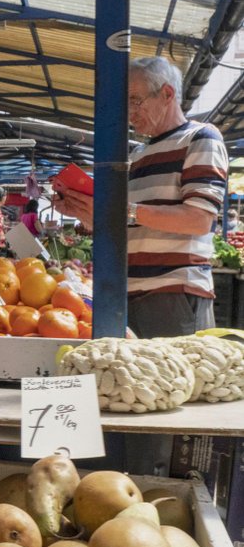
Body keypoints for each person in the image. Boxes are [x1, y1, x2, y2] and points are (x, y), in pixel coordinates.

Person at [54, 56, 228, 338]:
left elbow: (199, 219)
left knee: (174, 380)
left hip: (172, 294)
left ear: (167, 93)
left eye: (135, 100)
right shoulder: (137, 155)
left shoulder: (200, 138)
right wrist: (84, 211)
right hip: (128, 295)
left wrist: (125, 210)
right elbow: (130, 224)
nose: (129, 113)